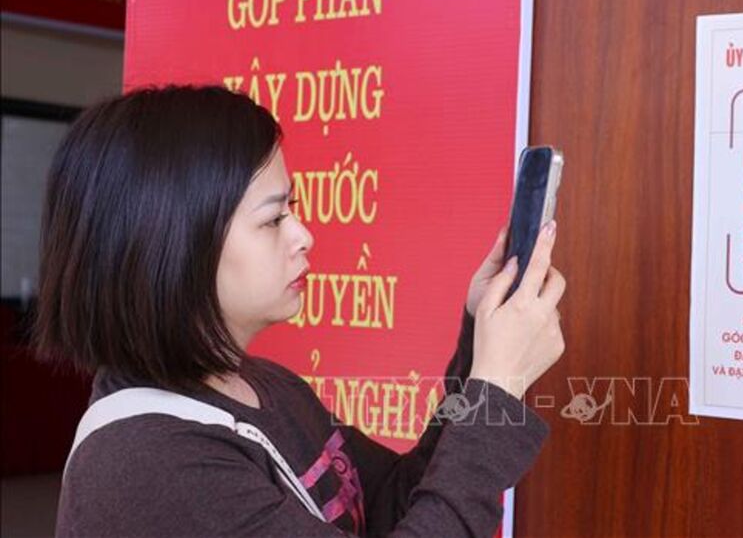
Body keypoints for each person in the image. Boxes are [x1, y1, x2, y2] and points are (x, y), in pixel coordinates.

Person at [31, 85, 567, 537]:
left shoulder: (268, 387)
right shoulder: (149, 466)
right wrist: (497, 388)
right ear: (171, 244)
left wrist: (479, 348)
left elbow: (397, 504)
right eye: (272, 220)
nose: (303, 235)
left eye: (292, 208)